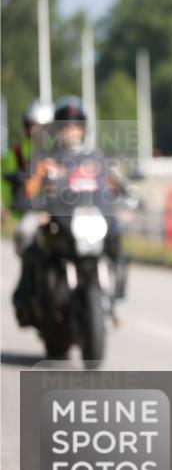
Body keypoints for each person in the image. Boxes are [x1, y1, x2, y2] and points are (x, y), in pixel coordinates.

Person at [15, 96, 126, 324]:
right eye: (66, 126)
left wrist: (123, 197)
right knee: (28, 237)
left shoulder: (94, 157)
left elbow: (110, 184)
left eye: (77, 126)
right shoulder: (47, 157)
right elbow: (31, 189)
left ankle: (113, 295)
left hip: (88, 216)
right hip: (57, 218)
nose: (72, 131)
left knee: (117, 230)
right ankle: (28, 297)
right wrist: (36, 199)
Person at [3, 100, 54, 326]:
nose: (38, 131)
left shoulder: (61, 152)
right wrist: (3, 207)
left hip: (60, 213)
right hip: (31, 214)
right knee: (27, 235)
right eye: (34, 125)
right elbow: (4, 184)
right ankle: (26, 295)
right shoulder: (15, 153)